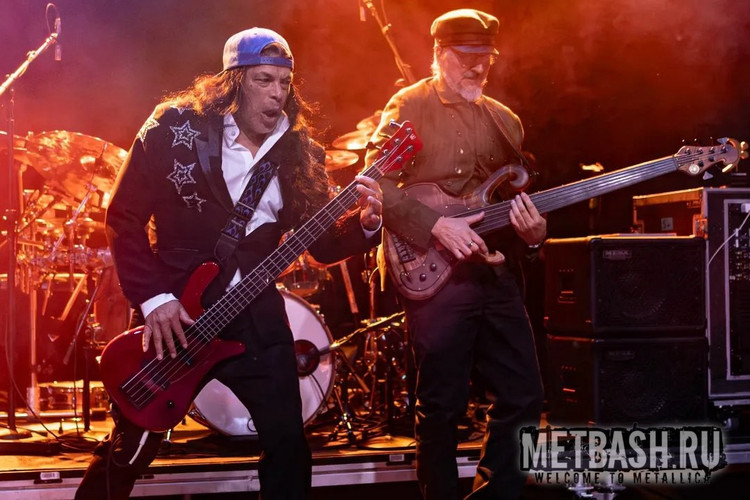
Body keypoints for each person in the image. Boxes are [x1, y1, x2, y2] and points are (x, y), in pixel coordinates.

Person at [75, 27, 383, 500]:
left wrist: (365, 225)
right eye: (264, 80)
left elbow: (321, 245)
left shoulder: (300, 153)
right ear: (234, 82)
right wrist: (155, 299)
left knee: (288, 446)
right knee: (132, 444)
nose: (277, 94)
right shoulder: (172, 129)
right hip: (178, 315)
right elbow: (123, 217)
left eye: (285, 83)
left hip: (256, 317)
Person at [366, 9, 546, 500]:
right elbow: (375, 185)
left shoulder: (505, 120)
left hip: (493, 269)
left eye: (485, 57)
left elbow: (515, 203)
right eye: (466, 57)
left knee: (524, 395)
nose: (478, 67)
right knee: (441, 404)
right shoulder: (408, 105)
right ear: (439, 54)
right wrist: (436, 225)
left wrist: (534, 236)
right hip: (434, 269)